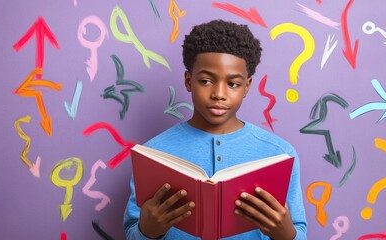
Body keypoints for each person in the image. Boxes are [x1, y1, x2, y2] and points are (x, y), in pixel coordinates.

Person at [123, 19, 307, 240]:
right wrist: (148, 230)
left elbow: (299, 231)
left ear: (247, 86)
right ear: (189, 80)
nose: (219, 94)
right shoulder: (153, 154)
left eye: (232, 84)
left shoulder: (280, 154)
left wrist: (285, 233)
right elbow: (132, 232)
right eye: (206, 81)